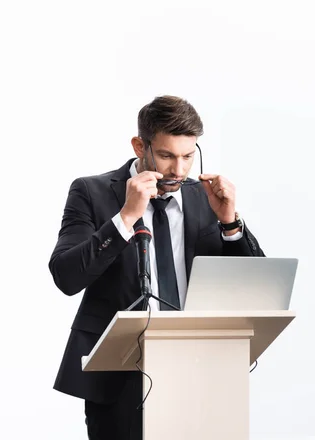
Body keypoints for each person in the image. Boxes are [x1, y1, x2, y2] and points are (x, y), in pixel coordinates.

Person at [49, 95, 264, 440]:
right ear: (140, 146)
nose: (178, 170)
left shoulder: (205, 197)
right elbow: (66, 275)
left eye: (188, 156)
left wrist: (230, 223)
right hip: (121, 377)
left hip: (202, 368)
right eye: (166, 155)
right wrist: (125, 218)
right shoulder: (92, 191)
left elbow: (257, 290)